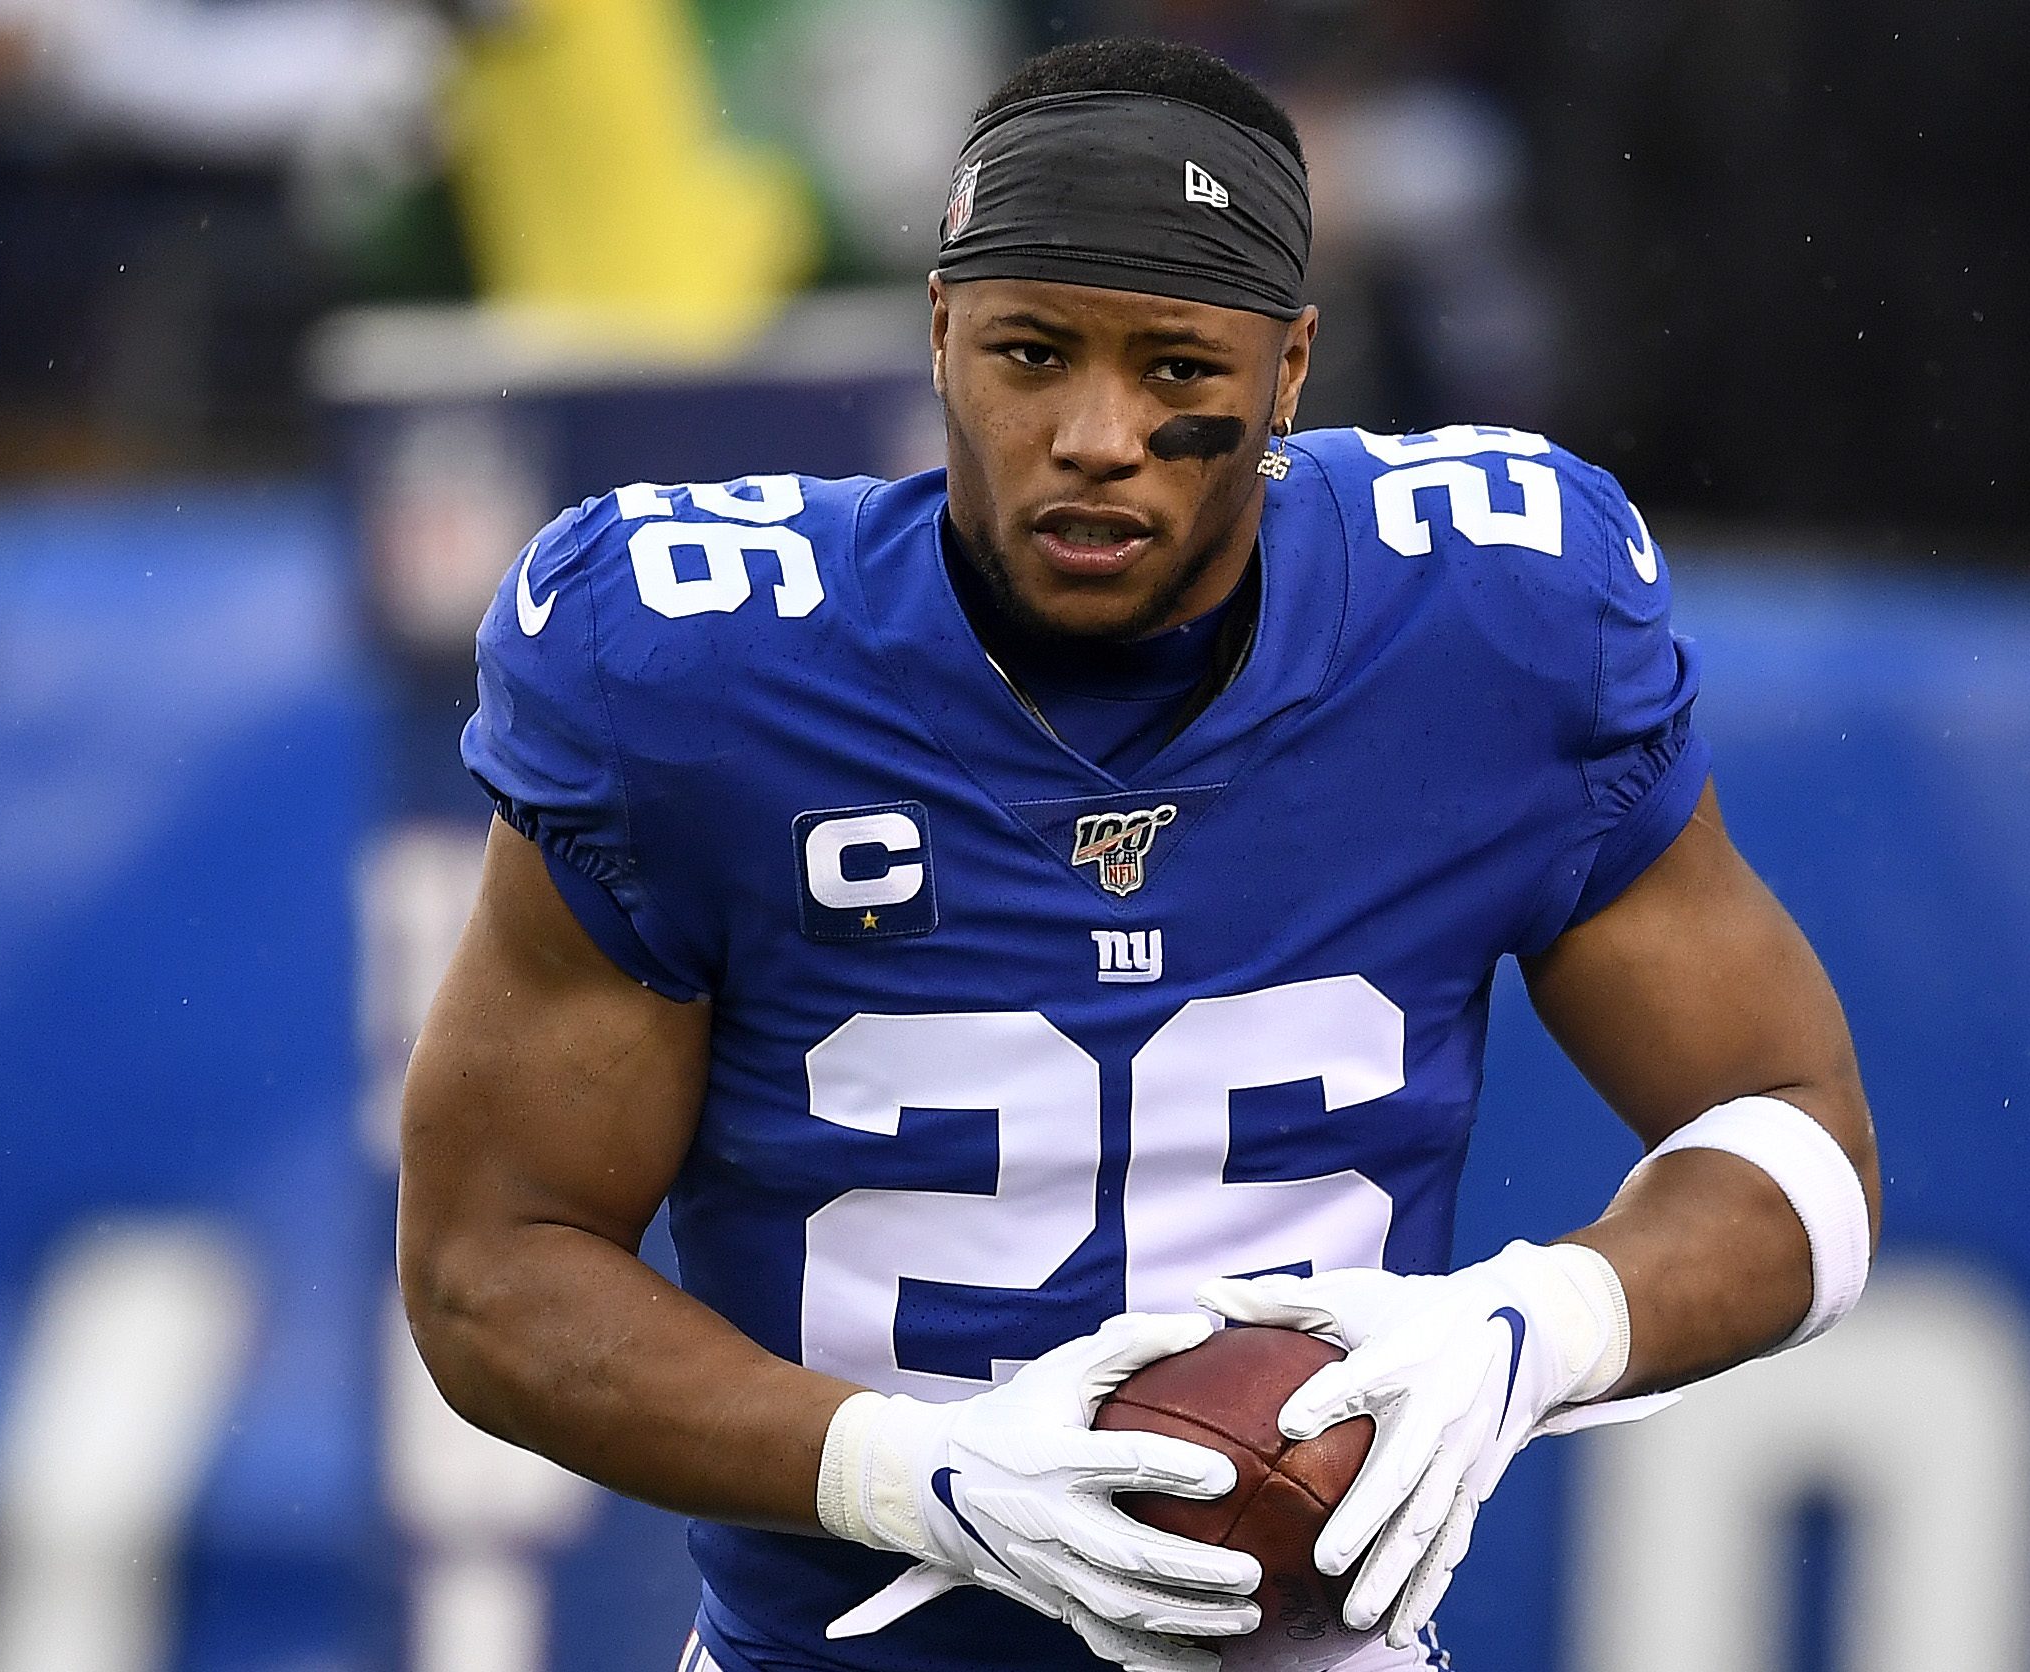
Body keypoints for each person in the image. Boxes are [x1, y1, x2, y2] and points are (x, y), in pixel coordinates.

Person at [399, 38, 1878, 1672]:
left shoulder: (1492, 619)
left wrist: (1530, 1326)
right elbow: (490, 1266)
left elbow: (1798, 1137)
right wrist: (913, 1473)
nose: (1096, 433)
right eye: (1032, 354)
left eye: (1176, 367)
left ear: (1291, 368)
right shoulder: (691, 667)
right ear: (940, 333)